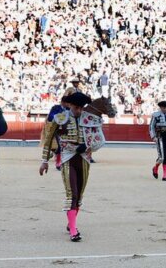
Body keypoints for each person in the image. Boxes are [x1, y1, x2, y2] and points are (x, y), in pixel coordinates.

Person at [39, 91, 104, 243]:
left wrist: (89, 146)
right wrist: (44, 161)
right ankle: (74, 231)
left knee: (79, 195)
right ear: (69, 105)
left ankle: (71, 222)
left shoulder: (90, 119)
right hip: (67, 157)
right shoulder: (60, 118)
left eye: (81, 108)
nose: (79, 111)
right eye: (76, 107)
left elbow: (100, 139)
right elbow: (48, 140)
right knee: (71, 194)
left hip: (84, 159)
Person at [149, 100, 166, 181]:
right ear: (160, 107)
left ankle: (165, 176)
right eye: (164, 107)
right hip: (159, 137)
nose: (165, 109)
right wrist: (153, 136)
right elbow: (151, 126)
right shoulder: (156, 115)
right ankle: (155, 167)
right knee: (161, 158)